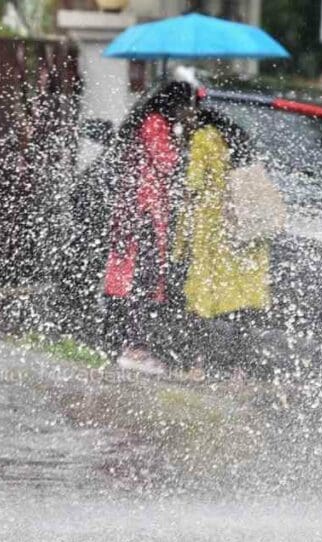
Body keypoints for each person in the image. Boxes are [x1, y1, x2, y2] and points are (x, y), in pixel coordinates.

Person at [103, 80, 198, 375]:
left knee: (138, 280)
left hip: (139, 211)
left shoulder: (148, 122)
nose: (187, 112)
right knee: (141, 281)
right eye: (186, 106)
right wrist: (184, 142)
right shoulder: (155, 124)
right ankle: (134, 349)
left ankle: (130, 345)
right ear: (175, 104)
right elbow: (168, 163)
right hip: (145, 213)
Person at [172, 108, 271, 377]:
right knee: (239, 303)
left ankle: (197, 364)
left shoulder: (204, 138)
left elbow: (192, 185)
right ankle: (238, 368)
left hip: (212, 230)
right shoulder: (243, 139)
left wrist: (180, 240)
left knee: (201, 299)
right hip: (242, 232)